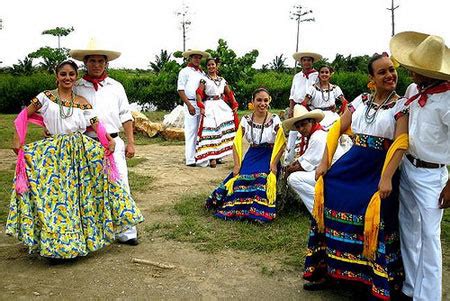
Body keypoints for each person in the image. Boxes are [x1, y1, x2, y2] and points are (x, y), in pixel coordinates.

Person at [6, 60, 144, 259]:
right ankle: (54, 245)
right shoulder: (45, 97)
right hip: (54, 153)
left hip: (80, 152)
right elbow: (23, 115)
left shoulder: (82, 101)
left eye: (71, 74)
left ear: (76, 76)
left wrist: (108, 141)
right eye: (63, 74)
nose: (67, 78)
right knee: (55, 198)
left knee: (82, 195)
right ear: (56, 76)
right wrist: (17, 139)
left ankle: (95, 236)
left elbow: (96, 124)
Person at [304, 53, 408, 300]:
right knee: (329, 188)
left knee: (373, 209)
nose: (389, 75)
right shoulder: (360, 100)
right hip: (353, 162)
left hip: (379, 167)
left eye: (391, 70)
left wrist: (386, 178)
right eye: (382, 72)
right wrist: (324, 161)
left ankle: (373, 280)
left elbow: (401, 141)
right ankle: (330, 270)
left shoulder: (401, 105)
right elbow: (337, 127)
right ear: (371, 78)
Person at [390, 31, 450, 301]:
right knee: (408, 227)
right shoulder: (414, 90)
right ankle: (411, 287)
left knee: (429, 237)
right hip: (409, 168)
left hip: (432, 175)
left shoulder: (448, 101)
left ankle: (429, 297)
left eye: (417, 71)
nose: (411, 75)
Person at [70, 40, 139, 245]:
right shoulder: (76, 87)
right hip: (86, 142)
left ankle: (127, 232)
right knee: (89, 187)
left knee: (120, 184)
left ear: (106, 63)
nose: (97, 65)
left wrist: (131, 142)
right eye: (92, 61)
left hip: (113, 142)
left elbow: (126, 116)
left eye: (101, 61)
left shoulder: (116, 87)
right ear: (85, 62)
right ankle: (93, 232)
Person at [205, 88, 286, 222]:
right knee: (240, 178)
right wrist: (237, 165)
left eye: (265, 100)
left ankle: (257, 213)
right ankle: (238, 209)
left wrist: (274, 164)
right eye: (259, 100)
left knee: (261, 179)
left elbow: (281, 142)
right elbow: (236, 142)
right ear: (252, 102)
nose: (262, 103)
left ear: (269, 101)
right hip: (252, 154)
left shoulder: (275, 119)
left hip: (269, 155)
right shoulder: (246, 120)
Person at [283, 105, 326, 214]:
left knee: (294, 179)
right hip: (328, 171)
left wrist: (288, 170)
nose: (301, 129)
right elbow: (304, 159)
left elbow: (303, 166)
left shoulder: (317, 137)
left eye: (304, 124)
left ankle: (319, 208)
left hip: (332, 175)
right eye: (298, 126)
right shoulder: (316, 134)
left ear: (312, 121)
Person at [195, 57, 238, 168]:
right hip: (209, 105)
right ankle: (211, 157)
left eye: (212, 64)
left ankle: (219, 155)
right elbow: (199, 93)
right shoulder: (204, 79)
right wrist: (201, 105)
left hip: (220, 105)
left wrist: (234, 104)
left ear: (216, 66)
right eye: (208, 65)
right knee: (211, 130)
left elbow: (229, 92)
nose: (211, 67)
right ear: (207, 67)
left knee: (221, 130)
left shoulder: (222, 80)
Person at [177, 49, 210, 167]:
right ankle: (190, 158)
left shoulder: (202, 73)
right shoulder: (184, 71)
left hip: (202, 103)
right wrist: (189, 104)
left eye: (199, 58)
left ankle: (199, 155)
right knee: (191, 130)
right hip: (190, 102)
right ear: (190, 58)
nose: (197, 59)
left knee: (200, 130)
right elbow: (180, 89)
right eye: (195, 57)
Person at [287, 52, 322, 155]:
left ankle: (309, 156)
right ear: (301, 62)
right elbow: (292, 95)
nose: (306, 62)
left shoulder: (317, 75)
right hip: (297, 108)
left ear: (312, 62)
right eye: (304, 60)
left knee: (311, 132)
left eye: (309, 60)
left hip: (312, 107)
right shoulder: (297, 76)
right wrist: (291, 109)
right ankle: (290, 157)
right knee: (294, 132)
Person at [302, 65, 347, 130]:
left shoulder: (335, 88)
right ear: (319, 75)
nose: (324, 74)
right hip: (316, 116)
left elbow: (344, 102)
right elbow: (304, 103)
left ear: (330, 74)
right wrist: (309, 114)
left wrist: (338, 111)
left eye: (326, 72)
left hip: (332, 116)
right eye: (322, 72)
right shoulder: (313, 88)